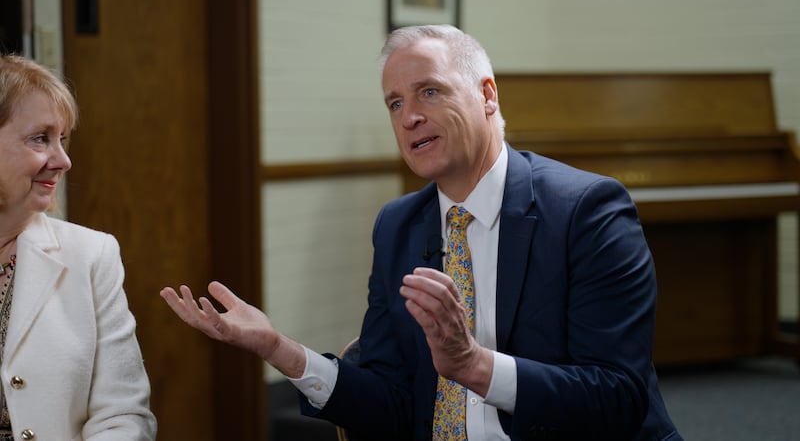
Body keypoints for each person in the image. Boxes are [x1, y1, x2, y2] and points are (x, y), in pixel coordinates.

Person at [160, 24, 681, 440]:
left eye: (428, 92)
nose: (409, 117)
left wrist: (474, 365)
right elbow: (393, 402)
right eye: (394, 103)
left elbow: (616, 396)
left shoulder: (586, 209)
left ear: (487, 96)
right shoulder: (398, 226)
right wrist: (281, 350)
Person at [0, 54, 156, 440]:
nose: (63, 160)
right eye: (41, 138)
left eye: (62, 140)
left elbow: (124, 417)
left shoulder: (91, 256)